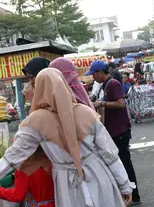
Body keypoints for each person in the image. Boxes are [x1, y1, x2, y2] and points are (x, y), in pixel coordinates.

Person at [0, 68, 135, 207]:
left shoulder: (35, 122)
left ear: (39, 89)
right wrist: (124, 184)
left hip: (67, 184)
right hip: (98, 175)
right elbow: (109, 153)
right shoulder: (86, 112)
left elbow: (12, 157)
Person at [85, 60, 141, 205]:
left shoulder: (113, 84)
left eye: (93, 74)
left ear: (99, 72)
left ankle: (134, 196)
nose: (93, 78)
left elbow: (121, 103)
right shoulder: (107, 85)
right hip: (115, 130)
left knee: (124, 163)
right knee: (121, 163)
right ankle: (129, 194)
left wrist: (102, 103)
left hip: (120, 130)